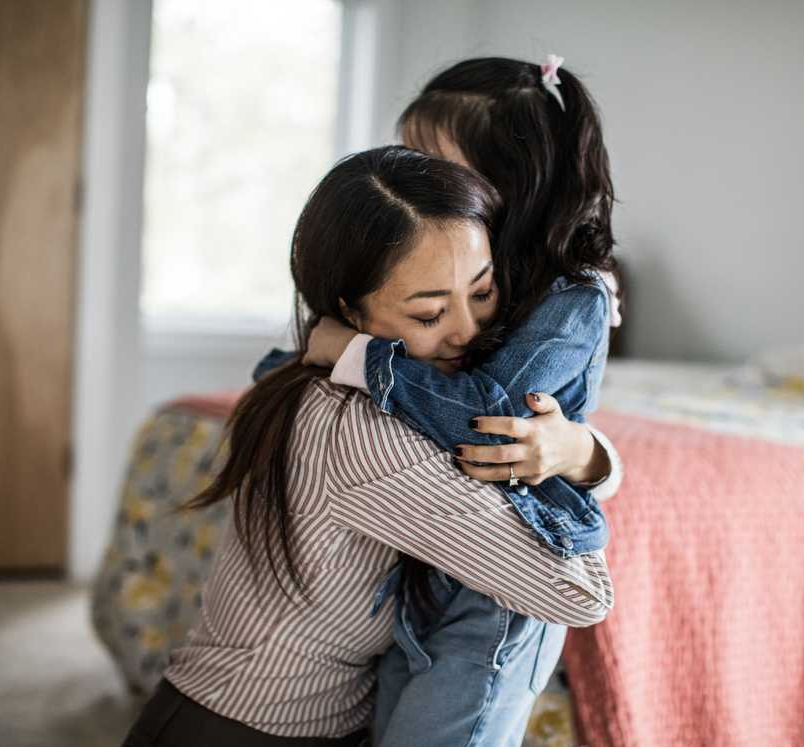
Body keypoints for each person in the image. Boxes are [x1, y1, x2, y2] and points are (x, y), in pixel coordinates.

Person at [119, 146, 614, 747]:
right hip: (241, 728)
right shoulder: (362, 433)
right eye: (429, 314)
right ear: (350, 312)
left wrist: (584, 452)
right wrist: (566, 474)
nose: (468, 331)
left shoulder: (315, 382)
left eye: (483, 293)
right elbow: (580, 593)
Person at [298, 55, 622, 747]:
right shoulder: (455, 264)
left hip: (504, 579)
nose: (414, 182)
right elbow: (304, 360)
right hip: (429, 562)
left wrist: (359, 355)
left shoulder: (573, 294)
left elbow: (485, 420)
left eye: (432, 164)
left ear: (513, 180)